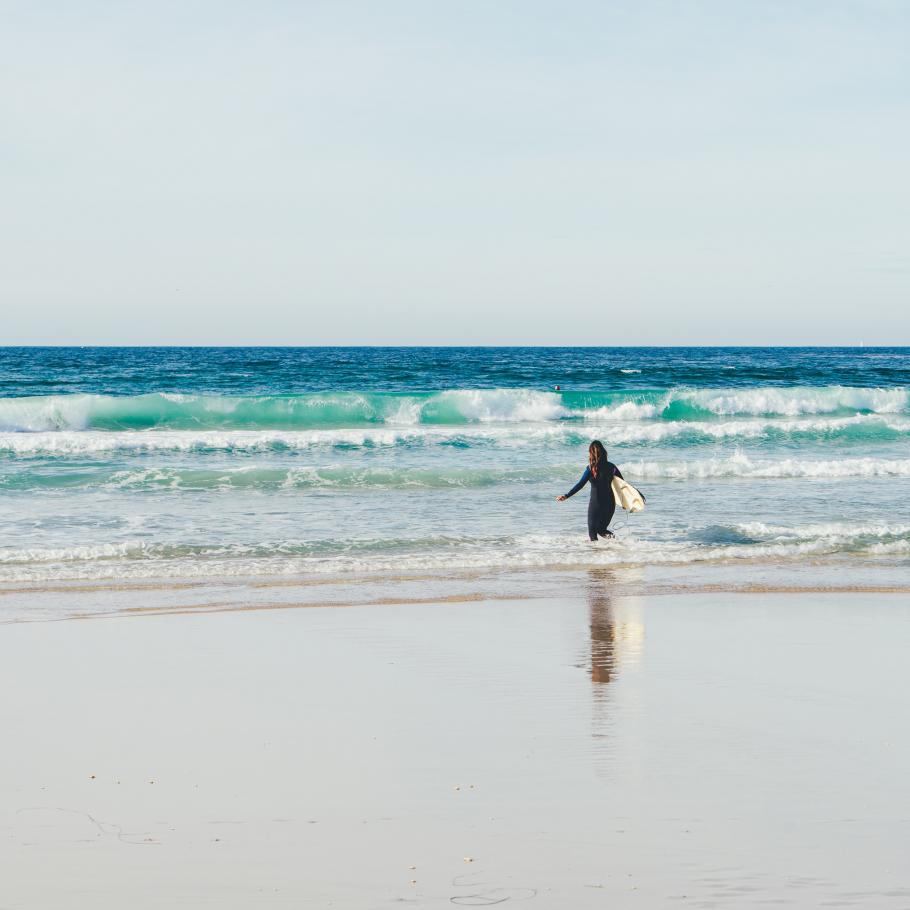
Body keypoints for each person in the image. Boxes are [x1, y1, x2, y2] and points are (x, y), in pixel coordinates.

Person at [557, 440, 624, 541]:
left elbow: (580, 484)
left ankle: (596, 555)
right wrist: (626, 501)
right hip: (610, 504)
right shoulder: (611, 467)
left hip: (596, 504)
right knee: (601, 530)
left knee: (592, 534)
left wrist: (566, 495)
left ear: (591, 453)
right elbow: (623, 484)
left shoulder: (591, 468)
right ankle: (619, 544)